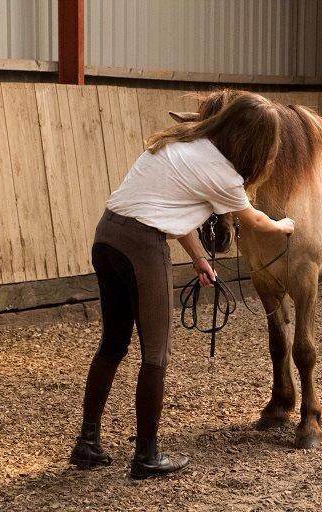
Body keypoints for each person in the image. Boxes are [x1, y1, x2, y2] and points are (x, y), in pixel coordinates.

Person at [68, 93, 295, 479]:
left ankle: (87, 443)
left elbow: (170, 205)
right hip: (142, 245)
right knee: (156, 352)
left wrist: (198, 258)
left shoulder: (184, 141)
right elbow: (255, 221)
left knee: (114, 342)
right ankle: (147, 455)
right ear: (258, 144)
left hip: (107, 237)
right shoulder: (224, 175)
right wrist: (283, 225)